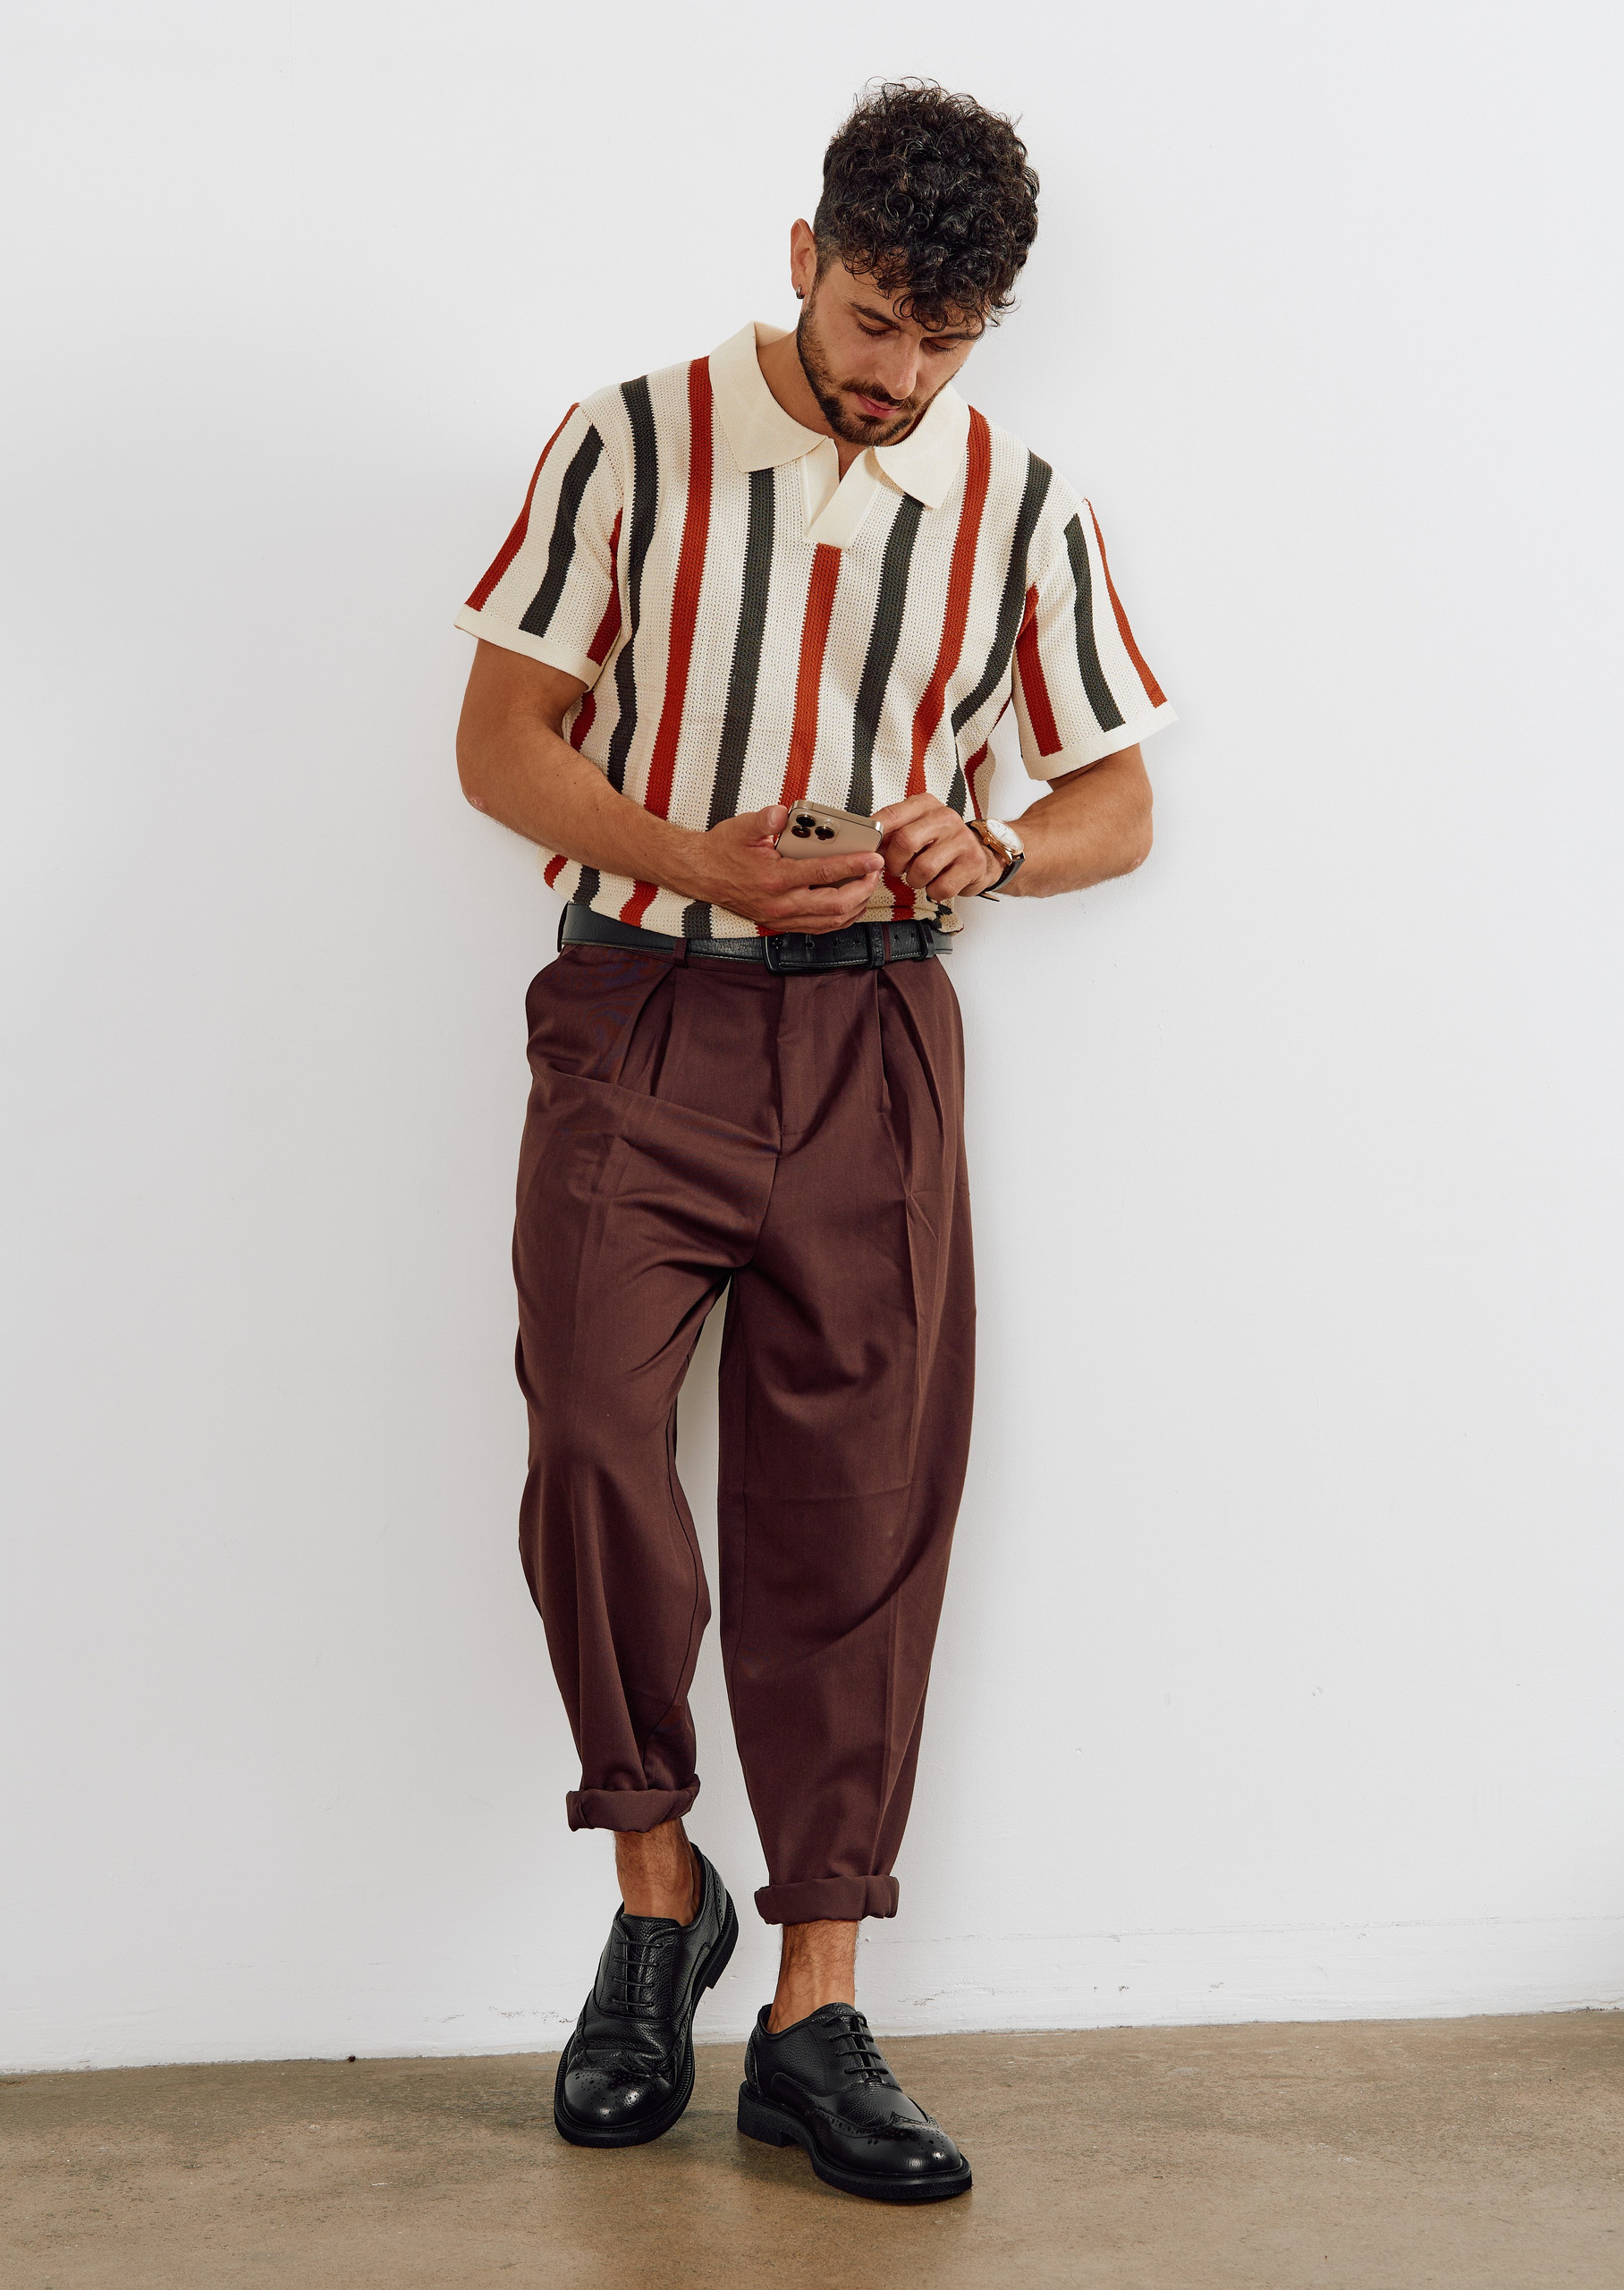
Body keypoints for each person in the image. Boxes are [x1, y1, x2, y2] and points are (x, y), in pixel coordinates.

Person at [453, 80, 1174, 2206]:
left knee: (858, 1498)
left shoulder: (1020, 501)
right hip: (642, 1007)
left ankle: (813, 2010)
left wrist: (1000, 846)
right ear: (804, 258)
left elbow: (1120, 797)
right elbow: (498, 741)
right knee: (593, 1430)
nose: (902, 374)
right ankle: (656, 1886)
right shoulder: (632, 441)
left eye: (947, 338)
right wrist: (699, 857)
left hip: (877, 1039)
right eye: (875, 319)